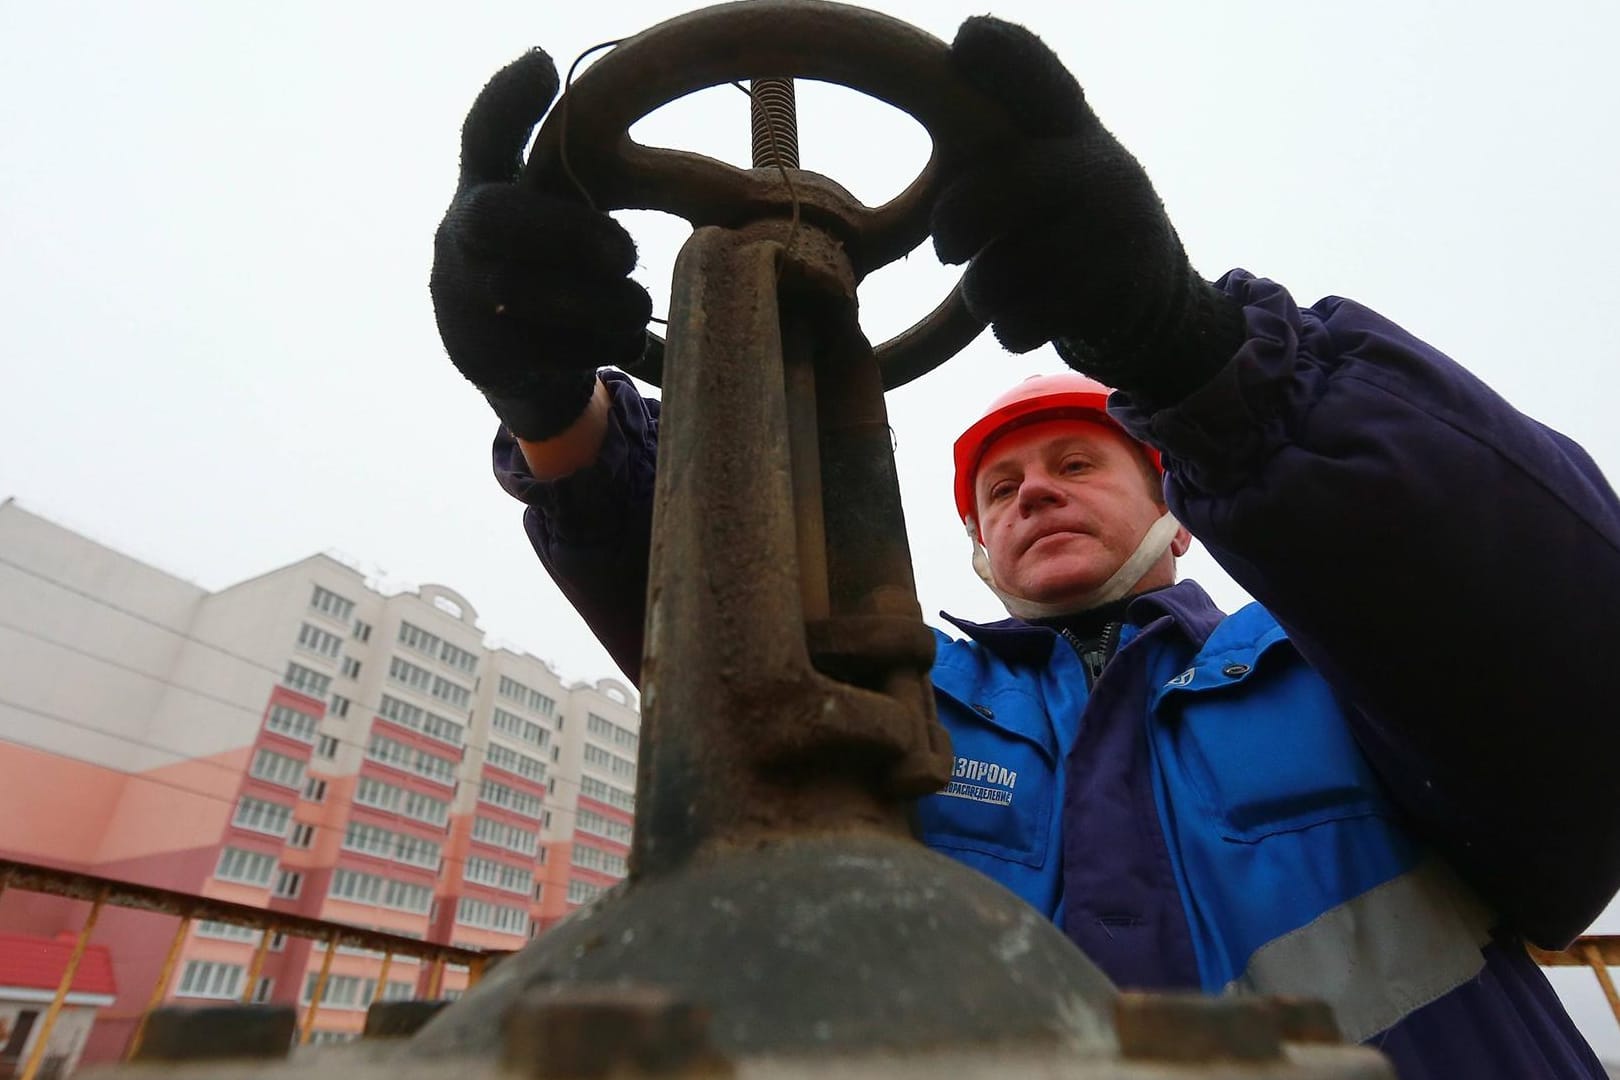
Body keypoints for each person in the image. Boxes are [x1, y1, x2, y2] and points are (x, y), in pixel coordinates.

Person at [429, 16, 1620, 1079]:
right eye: (1002, 487)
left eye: (1075, 464)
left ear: (1176, 508)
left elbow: (1570, 680)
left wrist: (1192, 351)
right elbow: (734, 621)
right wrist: (559, 417)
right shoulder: (888, 704)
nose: (1036, 494)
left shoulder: (1340, 663)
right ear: (979, 550)